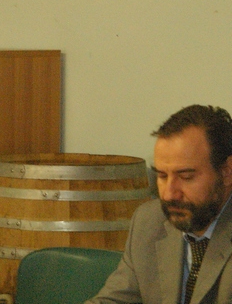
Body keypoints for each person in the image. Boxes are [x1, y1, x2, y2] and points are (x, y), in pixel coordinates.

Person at [85, 104, 232, 304]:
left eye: (186, 177)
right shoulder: (149, 221)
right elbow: (115, 299)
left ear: (226, 172)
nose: (170, 194)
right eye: (162, 176)